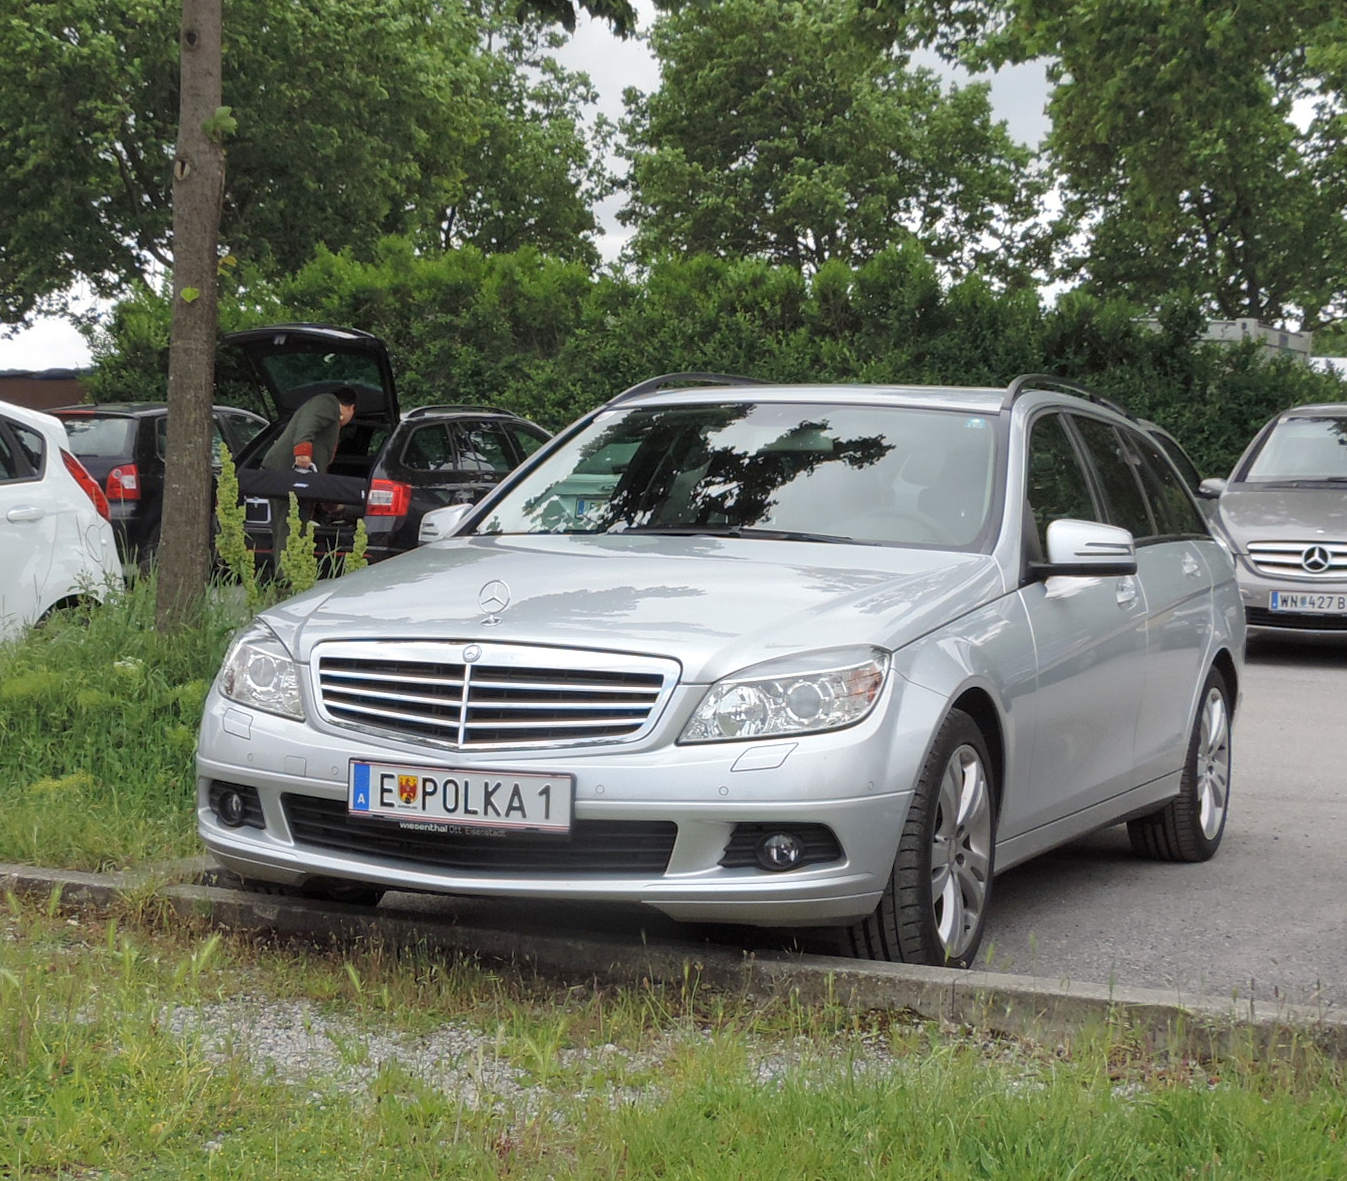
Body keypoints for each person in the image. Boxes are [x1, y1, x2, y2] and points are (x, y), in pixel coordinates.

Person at [261, 385, 358, 562]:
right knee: (290, 525)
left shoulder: (327, 413)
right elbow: (308, 422)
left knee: (290, 524)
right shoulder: (327, 402)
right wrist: (302, 452)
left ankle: (289, 572)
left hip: (292, 476)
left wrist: (328, 502)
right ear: (351, 407)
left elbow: (318, 469)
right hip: (288, 473)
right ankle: (287, 579)